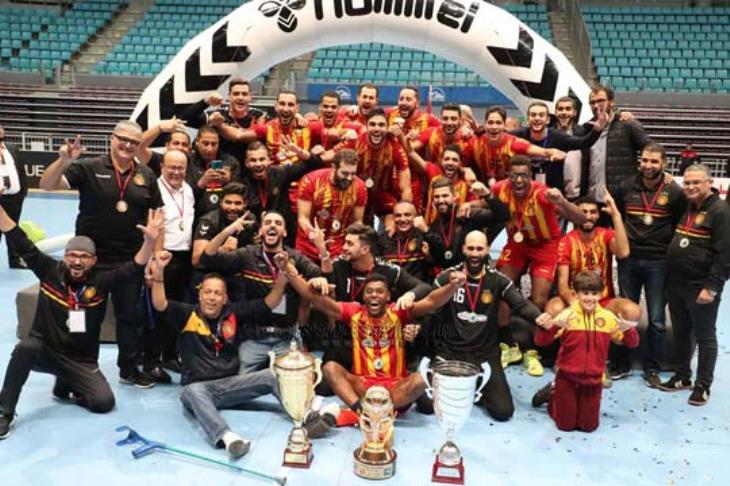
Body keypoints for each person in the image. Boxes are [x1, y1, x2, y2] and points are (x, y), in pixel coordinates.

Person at [0, 205, 163, 440]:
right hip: (45, 352)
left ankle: (66, 383)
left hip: (81, 361)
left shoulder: (103, 281)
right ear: (65, 257)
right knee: (25, 348)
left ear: (94, 261)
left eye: (84, 257)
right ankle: (4, 411)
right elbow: (19, 239)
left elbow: (134, 268)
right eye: (72, 256)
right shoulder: (48, 270)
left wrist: (149, 242)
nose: (77, 261)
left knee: (103, 403)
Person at [149, 251, 332, 458]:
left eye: (217, 293)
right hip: (199, 387)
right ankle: (228, 438)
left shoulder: (233, 313)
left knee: (271, 375)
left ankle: (306, 415)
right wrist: (159, 272)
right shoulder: (186, 314)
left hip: (231, 384)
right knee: (192, 391)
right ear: (200, 295)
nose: (212, 297)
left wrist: (282, 276)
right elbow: (160, 303)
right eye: (207, 292)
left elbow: (270, 302)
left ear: (225, 298)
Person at [39, 121, 164, 387]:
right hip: (90, 263)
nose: (128, 145)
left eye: (134, 142)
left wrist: (154, 256)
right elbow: (47, 184)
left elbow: (157, 219)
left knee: (129, 318)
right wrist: (63, 161)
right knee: (83, 318)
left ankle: (128, 369)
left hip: (130, 262)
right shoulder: (88, 167)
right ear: (112, 138)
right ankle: (74, 372)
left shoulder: (146, 175)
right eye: (123, 139)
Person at [283, 261, 464, 424]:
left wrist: (453, 286)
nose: (374, 295)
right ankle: (361, 412)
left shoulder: (398, 312)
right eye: (369, 292)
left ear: (388, 296)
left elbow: (431, 301)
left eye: (379, 292)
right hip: (362, 388)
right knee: (330, 368)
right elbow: (315, 298)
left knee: (421, 378)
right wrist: (288, 270)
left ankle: (362, 415)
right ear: (363, 297)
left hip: (394, 391)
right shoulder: (354, 312)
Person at [424, 230, 549, 421]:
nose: (475, 253)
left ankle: (473, 384)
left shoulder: (498, 280)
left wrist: (540, 318)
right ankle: (467, 384)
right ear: (463, 249)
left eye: (479, 249)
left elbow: (521, 304)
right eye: (471, 248)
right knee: (426, 405)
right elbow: (429, 306)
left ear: (488, 250)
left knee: (503, 412)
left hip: (485, 355)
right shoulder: (446, 277)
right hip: (450, 352)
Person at [492, 156, 587, 376]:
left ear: (530, 177)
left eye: (523, 176)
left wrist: (562, 201)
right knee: (501, 289)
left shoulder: (543, 194)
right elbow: (482, 201)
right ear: (508, 176)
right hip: (517, 244)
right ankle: (508, 346)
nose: (518, 180)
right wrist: (468, 205)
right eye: (514, 175)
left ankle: (532, 351)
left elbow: (581, 219)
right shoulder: (499, 189)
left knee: (539, 299)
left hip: (545, 245)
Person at [200, 211, 323, 373]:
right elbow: (207, 258)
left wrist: (319, 278)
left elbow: (320, 275)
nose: (272, 226)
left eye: (278, 223)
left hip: (287, 338)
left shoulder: (295, 257)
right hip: (253, 338)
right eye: (267, 222)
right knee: (239, 380)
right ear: (260, 231)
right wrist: (228, 231)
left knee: (298, 381)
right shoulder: (247, 254)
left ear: (285, 232)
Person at [612, 143, 687, 384]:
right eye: (645, 160)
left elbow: (680, 225)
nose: (648, 165)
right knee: (626, 316)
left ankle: (651, 367)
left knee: (656, 320)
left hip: (659, 262)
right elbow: (616, 218)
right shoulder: (626, 186)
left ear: (664, 163)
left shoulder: (675, 192)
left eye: (654, 161)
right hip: (629, 261)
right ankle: (622, 362)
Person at [657, 163, 730, 405]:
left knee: (704, 336)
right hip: (676, 283)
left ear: (710, 183)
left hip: (701, 286)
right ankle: (682, 376)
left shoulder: (721, 212)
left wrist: (712, 287)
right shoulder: (688, 206)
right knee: (681, 333)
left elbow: (725, 255)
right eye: (687, 183)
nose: (690, 187)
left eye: (696, 182)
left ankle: (703, 385)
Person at [533, 271, 640, 432]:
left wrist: (628, 331)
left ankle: (563, 397)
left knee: (589, 426)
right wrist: (551, 327)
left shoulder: (608, 318)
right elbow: (540, 342)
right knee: (565, 426)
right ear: (576, 294)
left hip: (593, 380)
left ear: (601, 294)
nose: (589, 298)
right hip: (567, 377)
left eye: (594, 293)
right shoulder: (567, 315)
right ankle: (554, 396)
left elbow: (633, 343)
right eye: (585, 293)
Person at [143, 150, 196, 383]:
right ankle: (151, 362)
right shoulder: (154, 189)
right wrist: (155, 260)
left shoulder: (188, 189)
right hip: (162, 255)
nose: (176, 172)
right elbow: (154, 227)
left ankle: (171, 355)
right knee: (157, 312)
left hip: (184, 257)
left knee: (176, 310)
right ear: (162, 167)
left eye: (180, 168)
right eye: (171, 167)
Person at [327, 109, 412, 229]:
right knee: (354, 229)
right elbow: (327, 155)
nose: (377, 128)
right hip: (355, 193)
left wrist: (407, 215)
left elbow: (406, 189)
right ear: (366, 126)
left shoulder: (395, 147)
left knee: (393, 224)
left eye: (381, 125)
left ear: (387, 128)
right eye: (372, 124)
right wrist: (311, 154)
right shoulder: (355, 141)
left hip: (382, 194)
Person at [241, 140, 325, 246]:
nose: (258, 164)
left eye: (262, 159)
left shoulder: (280, 173)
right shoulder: (242, 184)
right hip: (257, 239)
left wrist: (297, 150)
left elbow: (315, 164)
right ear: (247, 163)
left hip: (285, 238)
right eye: (253, 160)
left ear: (269, 160)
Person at [511, 101, 607, 191]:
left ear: (548, 120)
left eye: (541, 115)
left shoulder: (557, 136)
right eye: (533, 115)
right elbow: (503, 137)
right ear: (528, 119)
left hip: (553, 192)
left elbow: (584, 143)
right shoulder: (518, 136)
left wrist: (597, 130)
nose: (537, 118)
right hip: (525, 191)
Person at [419, 176, 508, 269]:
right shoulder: (434, 226)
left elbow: (503, 216)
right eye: (437, 197)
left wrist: (487, 195)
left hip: (477, 273)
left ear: (454, 196)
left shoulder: (468, 214)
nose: (441, 200)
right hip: (453, 275)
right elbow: (443, 260)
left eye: (445, 196)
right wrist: (429, 257)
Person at [581, 85, 651, 203]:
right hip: (593, 200)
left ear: (611, 102)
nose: (596, 105)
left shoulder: (628, 124)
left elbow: (652, 150)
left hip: (621, 199)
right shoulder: (587, 128)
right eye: (592, 102)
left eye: (600, 101)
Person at [295, 149, 367, 262]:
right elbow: (303, 218)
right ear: (333, 167)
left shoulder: (360, 187)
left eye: (353, 173)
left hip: (339, 247)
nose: (349, 178)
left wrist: (353, 243)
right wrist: (313, 235)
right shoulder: (311, 181)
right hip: (308, 245)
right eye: (345, 173)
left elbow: (357, 221)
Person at [470, 106, 566, 183]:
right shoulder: (475, 143)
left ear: (504, 125)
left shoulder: (515, 143)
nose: (494, 127)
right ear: (485, 124)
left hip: (511, 192)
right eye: (490, 123)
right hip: (481, 190)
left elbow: (544, 152)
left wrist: (555, 152)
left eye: (498, 123)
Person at [187, 125, 241, 218]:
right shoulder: (188, 162)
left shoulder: (231, 162)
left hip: (224, 216)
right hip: (196, 214)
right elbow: (182, 197)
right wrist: (201, 184)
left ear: (219, 143)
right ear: (197, 142)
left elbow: (240, 196)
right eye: (205, 143)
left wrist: (230, 182)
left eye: (214, 144)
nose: (210, 149)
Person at [379, 201, 432, 282]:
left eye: (407, 215)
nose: (403, 219)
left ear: (415, 217)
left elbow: (436, 265)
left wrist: (428, 256)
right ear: (393, 218)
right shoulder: (383, 240)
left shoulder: (424, 237)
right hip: (391, 287)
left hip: (418, 287)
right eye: (398, 215)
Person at [0, 123, 29, 268]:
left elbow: (21, 171)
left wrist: (23, 191)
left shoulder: (12, 149)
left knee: (13, 229)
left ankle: (15, 259)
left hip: (14, 198)